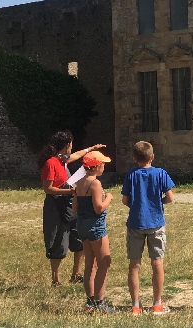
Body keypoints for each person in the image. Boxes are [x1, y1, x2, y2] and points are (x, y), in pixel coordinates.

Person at [37, 131, 107, 287]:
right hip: (55, 205)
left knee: (77, 238)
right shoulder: (51, 163)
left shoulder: (63, 160)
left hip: (69, 203)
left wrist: (90, 149)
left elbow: (75, 156)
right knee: (57, 240)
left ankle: (76, 273)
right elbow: (48, 189)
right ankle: (56, 279)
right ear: (67, 145)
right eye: (71, 144)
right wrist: (70, 191)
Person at [122, 141, 175, 315]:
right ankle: (157, 303)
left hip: (136, 222)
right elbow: (170, 197)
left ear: (134, 158)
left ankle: (136, 305)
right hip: (156, 222)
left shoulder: (131, 175)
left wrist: (136, 206)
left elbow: (125, 200)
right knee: (157, 262)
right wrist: (159, 203)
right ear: (152, 157)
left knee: (134, 264)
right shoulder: (160, 173)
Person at [73, 151, 116, 313]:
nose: (104, 166)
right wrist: (109, 198)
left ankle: (90, 301)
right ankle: (99, 301)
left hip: (82, 225)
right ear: (97, 166)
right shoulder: (95, 184)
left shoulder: (79, 182)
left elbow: (74, 208)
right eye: (103, 164)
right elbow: (98, 209)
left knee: (90, 263)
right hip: (96, 226)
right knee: (104, 262)